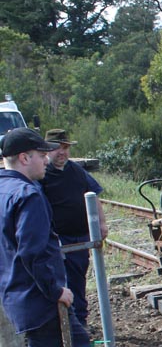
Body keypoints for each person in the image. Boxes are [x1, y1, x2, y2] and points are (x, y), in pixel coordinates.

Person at [0, 128, 97, 347]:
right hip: (38, 298)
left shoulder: (4, 187)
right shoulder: (27, 195)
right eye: (41, 154)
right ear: (24, 158)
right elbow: (33, 252)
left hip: (18, 294)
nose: (47, 158)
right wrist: (58, 290)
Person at [41, 128, 106, 325]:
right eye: (56, 148)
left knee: (78, 281)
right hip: (57, 240)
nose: (62, 152)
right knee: (60, 283)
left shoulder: (76, 170)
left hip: (79, 237)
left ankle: (80, 322)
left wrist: (101, 223)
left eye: (65, 147)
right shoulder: (42, 174)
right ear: (47, 151)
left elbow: (93, 195)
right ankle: (66, 324)